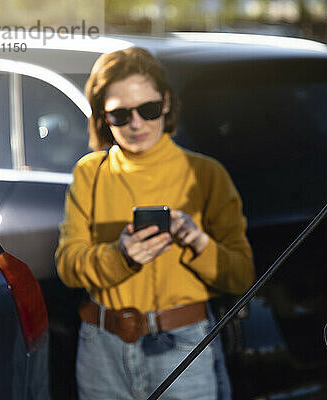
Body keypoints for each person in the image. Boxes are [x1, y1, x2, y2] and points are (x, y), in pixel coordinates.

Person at [55, 46, 255, 400]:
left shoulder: (205, 174)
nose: (136, 124)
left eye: (147, 110)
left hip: (183, 346)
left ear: (165, 103)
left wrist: (199, 243)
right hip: (101, 348)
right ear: (103, 116)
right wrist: (121, 256)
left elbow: (241, 276)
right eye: (120, 115)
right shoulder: (90, 173)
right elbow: (68, 265)